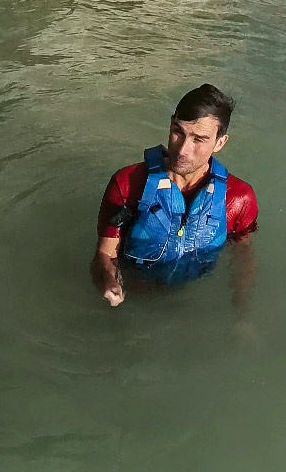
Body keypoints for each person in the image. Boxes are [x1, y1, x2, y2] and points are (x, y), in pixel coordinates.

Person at [91, 84, 258, 310]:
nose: (182, 150)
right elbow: (104, 254)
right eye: (178, 132)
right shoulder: (128, 184)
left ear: (219, 143)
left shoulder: (238, 199)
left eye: (199, 139)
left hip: (192, 303)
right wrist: (108, 281)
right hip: (131, 298)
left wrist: (242, 315)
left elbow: (242, 260)